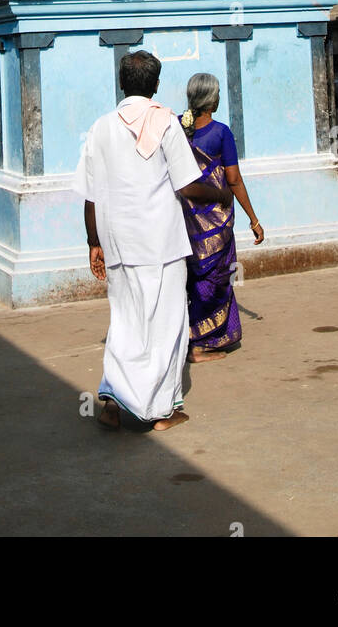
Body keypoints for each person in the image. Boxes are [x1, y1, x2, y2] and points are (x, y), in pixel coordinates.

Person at [74, 50, 232, 433]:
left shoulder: (101, 127)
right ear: (157, 85)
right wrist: (221, 194)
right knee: (165, 324)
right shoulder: (165, 122)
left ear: (122, 84)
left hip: (118, 242)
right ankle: (161, 410)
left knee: (125, 321)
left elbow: (90, 195)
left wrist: (93, 242)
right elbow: (188, 184)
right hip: (159, 242)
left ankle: (112, 402)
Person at [179, 72, 264, 363]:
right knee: (215, 280)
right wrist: (253, 218)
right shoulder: (221, 132)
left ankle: (189, 337)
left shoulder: (177, 128)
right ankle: (201, 343)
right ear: (211, 101)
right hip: (216, 221)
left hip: (183, 221)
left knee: (190, 279)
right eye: (216, 94)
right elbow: (234, 178)